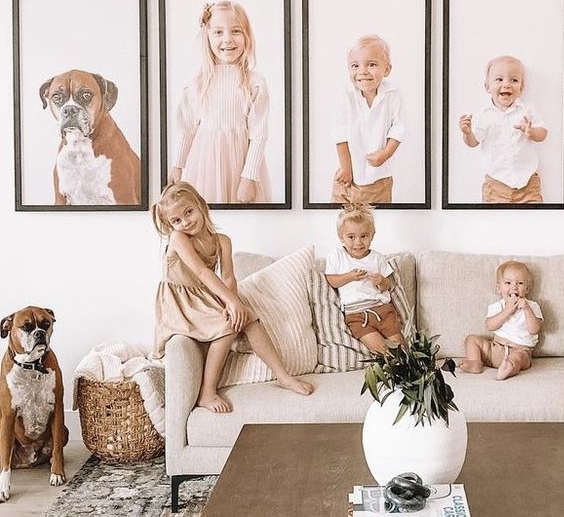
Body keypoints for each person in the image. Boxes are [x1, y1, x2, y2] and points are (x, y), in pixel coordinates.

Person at [151, 182, 313, 412]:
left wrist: (234, 305)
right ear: (171, 225)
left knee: (249, 319)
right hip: (180, 301)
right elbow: (201, 272)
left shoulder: (222, 241)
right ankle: (207, 392)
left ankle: (283, 376)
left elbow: (228, 277)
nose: (185, 222)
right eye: (177, 220)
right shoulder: (179, 238)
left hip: (203, 295)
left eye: (189, 212)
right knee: (228, 326)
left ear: (201, 206)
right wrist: (232, 303)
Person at [169, 0, 271, 204]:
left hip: (241, 166)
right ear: (207, 36)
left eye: (236, 31)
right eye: (218, 32)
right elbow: (186, 128)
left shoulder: (255, 82)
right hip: (204, 165)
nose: (227, 39)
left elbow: (259, 135)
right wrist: (177, 165)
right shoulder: (197, 83)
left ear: (247, 36)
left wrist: (248, 177)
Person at [459, 55, 547, 203]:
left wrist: (531, 132)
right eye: (499, 79)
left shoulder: (526, 111)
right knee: (495, 223)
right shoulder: (483, 115)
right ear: (487, 87)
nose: (506, 85)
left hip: (528, 185)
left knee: (533, 222)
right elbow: (473, 142)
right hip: (496, 186)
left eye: (514, 80)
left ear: (521, 87)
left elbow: (543, 133)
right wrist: (467, 133)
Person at [331, 34, 407, 204]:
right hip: (348, 177)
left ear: (387, 69)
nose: (362, 71)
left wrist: (385, 154)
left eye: (371, 64)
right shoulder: (345, 95)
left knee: (376, 220)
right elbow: (340, 134)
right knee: (344, 221)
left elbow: (399, 128)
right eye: (355, 66)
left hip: (378, 179)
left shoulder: (393, 94)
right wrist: (346, 168)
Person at [324, 204, 403, 354]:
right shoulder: (337, 256)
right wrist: (350, 276)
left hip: (382, 311)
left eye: (364, 236)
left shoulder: (378, 258)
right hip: (357, 315)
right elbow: (332, 281)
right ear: (341, 237)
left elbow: (388, 285)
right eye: (351, 237)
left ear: (372, 235)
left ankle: (407, 370)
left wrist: (381, 281)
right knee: (382, 350)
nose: (358, 242)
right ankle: (394, 369)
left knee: (400, 349)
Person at [460, 260, 543, 380]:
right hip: (495, 349)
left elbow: (534, 329)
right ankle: (475, 362)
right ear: (499, 288)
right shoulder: (497, 306)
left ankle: (507, 369)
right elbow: (490, 325)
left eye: (520, 283)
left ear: (527, 289)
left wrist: (527, 309)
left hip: (521, 350)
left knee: (518, 359)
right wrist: (507, 311)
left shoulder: (532, 306)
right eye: (508, 283)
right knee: (471, 339)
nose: (514, 287)